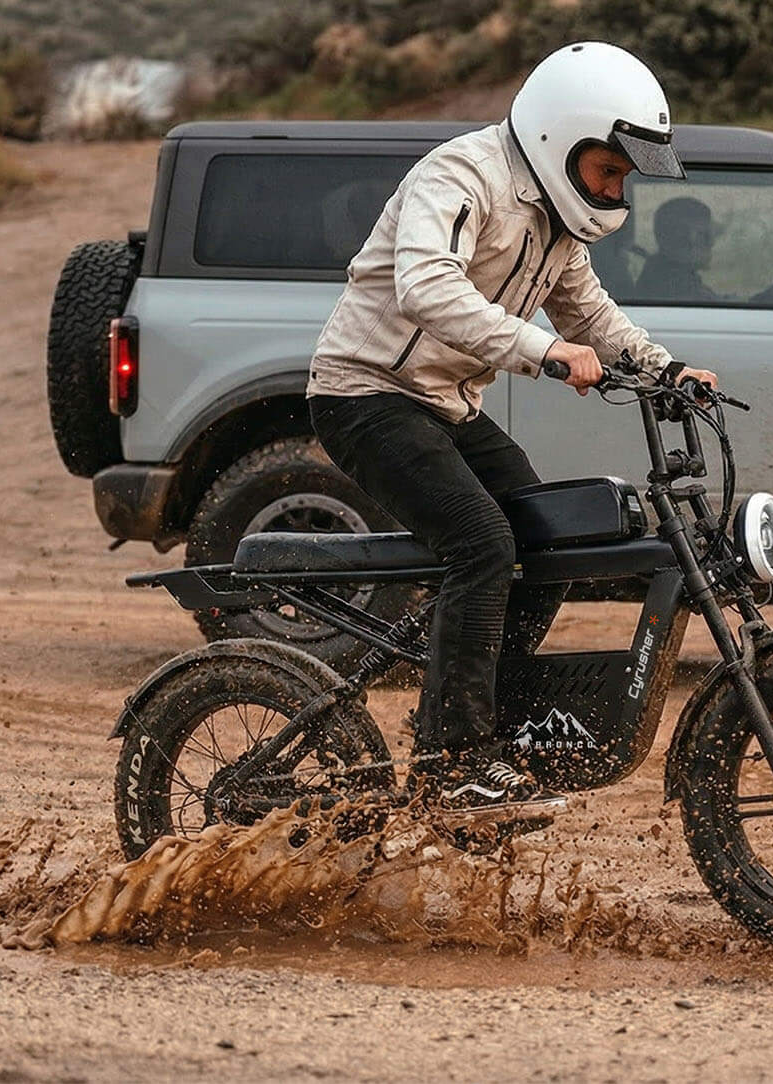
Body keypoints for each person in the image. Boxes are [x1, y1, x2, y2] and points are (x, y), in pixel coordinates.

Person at [307, 41, 718, 816]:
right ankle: (451, 759)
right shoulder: (463, 175)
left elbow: (589, 313)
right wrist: (544, 354)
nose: (616, 186)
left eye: (624, 174)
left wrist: (666, 369)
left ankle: (470, 720)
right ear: (563, 141)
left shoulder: (561, 222)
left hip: (446, 404)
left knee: (550, 539)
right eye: (610, 168)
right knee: (483, 542)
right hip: (366, 393)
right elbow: (426, 285)